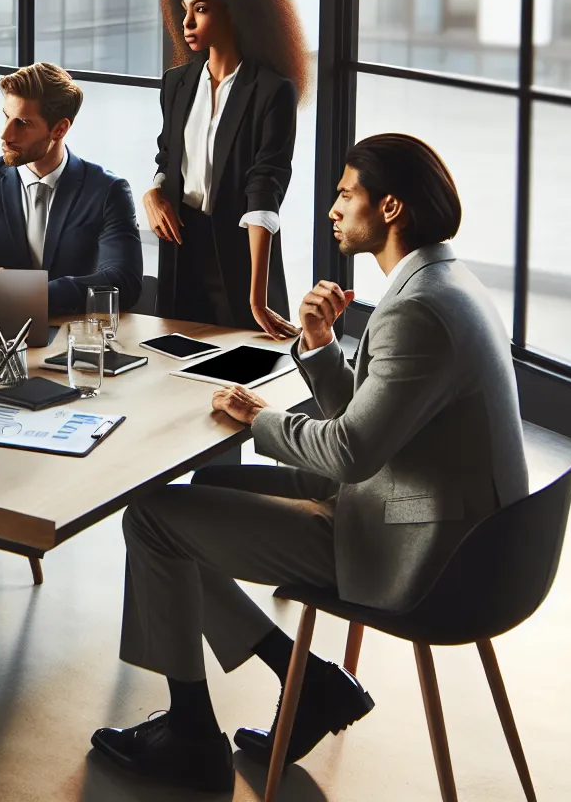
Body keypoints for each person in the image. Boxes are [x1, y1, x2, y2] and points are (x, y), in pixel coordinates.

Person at [92, 133, 531, 791]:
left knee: (154, 518)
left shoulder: (416, 312)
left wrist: (261, 420)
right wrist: (321, 345)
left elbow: (351, 452)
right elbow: (370, 423)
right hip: (461, 530)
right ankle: (311, 681)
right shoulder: (447, 280)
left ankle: (191, 737)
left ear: (390, 210)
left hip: (423, 555)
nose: (331, 208)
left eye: (345, 194)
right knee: (207, 486)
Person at [143, 0, 307, 340]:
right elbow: (168, 157)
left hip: (241, 256)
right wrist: (153, 192)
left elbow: (264, 190)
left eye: (200, 9)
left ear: (234, 9)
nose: (186, 21)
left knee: (245, 367)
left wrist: (257, 297)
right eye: (184, 9)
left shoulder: (272, 91)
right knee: (177, 363)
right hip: (182, 247)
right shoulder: (176, 83)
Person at [0, 62, 142, 316]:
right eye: (6, 117)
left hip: (74, 335)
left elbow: (124, 281)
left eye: (23, 123)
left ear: (60, 129)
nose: (5, 135)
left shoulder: (107, 191)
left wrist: (32, 293)